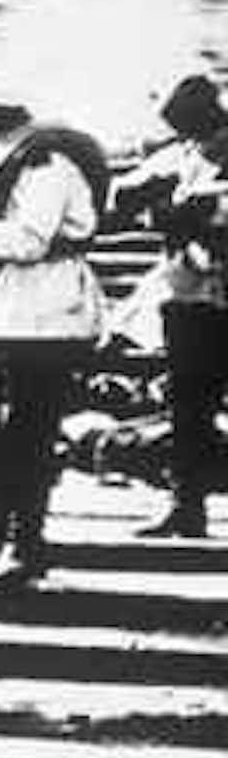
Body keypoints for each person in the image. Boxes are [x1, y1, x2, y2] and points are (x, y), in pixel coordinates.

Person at [0, 82, 109, 590]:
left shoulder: (45, 163)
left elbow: (31, 242)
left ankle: (24, 545)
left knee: (29, 431)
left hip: (48, 309)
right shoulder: (1, 156)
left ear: (1, 112)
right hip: (5, 309)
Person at [109, 72, 226, 539]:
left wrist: (197, 212)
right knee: (188, 405)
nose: (190, 135)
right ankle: (186, 505)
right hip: (190, 296)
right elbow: (123, 195)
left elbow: (208, 212)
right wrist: (144, 198)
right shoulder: (181, 153)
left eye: (194, 124)